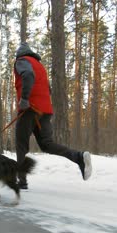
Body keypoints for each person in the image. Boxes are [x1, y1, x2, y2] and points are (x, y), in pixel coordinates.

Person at [14, 42, 92, 189]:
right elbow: (48, 89)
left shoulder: (22, 61)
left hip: (29, 109)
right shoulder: (40, 66)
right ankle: (79, 156)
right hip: (45, 111)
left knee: (21, 145)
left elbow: (28, 75)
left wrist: (25, 99)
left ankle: (22, 181)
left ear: (19, 54)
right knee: (47, 144)